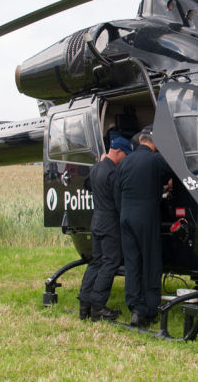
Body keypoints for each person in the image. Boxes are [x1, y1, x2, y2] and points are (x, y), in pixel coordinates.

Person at [115, 126, 172, 327]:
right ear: (153, 144)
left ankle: (134, 306)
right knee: (150, 262)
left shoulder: (125, 162)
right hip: (146, 217)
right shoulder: (156, 160)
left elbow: (117, 191)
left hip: (126, 217)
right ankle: (148, 310)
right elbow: (172, 178)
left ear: (140, 142)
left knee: (132, 263)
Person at [78, 136, 132, 322]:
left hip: (96, 221)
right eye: (125, 155)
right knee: (110, 262)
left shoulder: (96, 169)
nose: (125, 160)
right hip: (110, 224)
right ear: (117, 152)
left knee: (96, 261)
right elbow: (119, 203)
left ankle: (84, 304)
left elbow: (86, 185)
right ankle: (98, 307)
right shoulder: (113, 173)